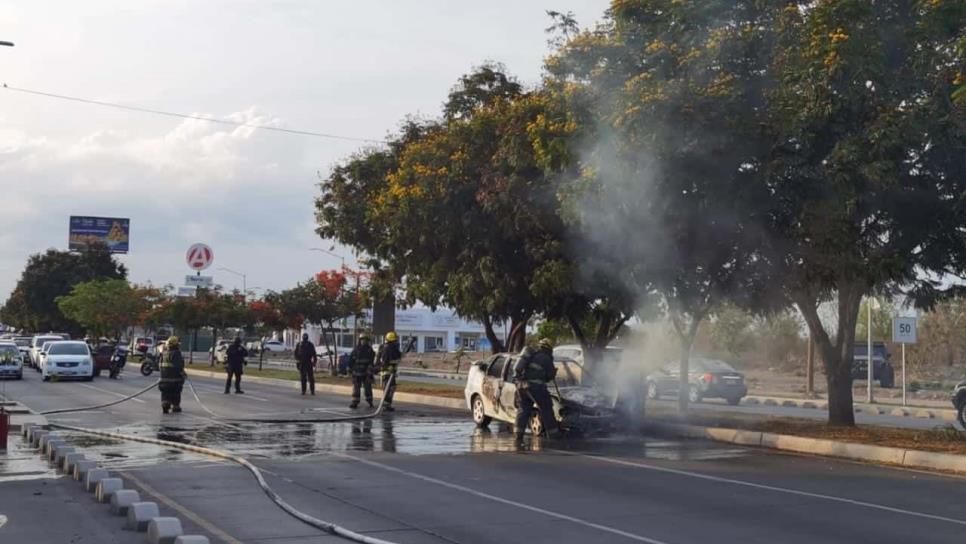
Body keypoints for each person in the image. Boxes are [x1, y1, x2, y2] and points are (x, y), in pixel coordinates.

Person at [512, 338, 558, 442]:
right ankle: (554, 435)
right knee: (547, 409)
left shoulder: (532, 355)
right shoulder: (546, 358)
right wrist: (553, 373)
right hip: (537, 387)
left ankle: (518, 435)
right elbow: (549, 377)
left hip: (523, 386)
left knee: (523, 410)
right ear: (549, 348)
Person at [159, 336, 186, 414]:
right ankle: (176, 406)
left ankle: (165, 404)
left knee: (165, 393)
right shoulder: (176, 354)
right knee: (176, 392)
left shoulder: (164, 354)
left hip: (163, 381)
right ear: (176, 345)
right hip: (175, 381)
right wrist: (183, 374)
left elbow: (159, 366)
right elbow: (178, 367)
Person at [348, 334, 375, 409]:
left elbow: (371, 362)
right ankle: (355, 402)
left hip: (366, 373)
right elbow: (351, 361)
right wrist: (350, 369)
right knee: (356, 388)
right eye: (362, 339)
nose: (364, 341)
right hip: (356, 372)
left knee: (368, 388)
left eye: (365, 340)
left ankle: (370, 401)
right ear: (360, 340)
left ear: (367, 341)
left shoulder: (370, 351)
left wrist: (369, 371)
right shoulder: (355, 350)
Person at [378, 331, 402, 412]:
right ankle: (385, 405)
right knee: (389, 389)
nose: (396, 342)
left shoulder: (393, 348)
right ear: (391, 341)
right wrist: (391, 365)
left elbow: (399, 356)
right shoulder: (387, 348)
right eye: (394, 341)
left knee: (391, 388)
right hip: (387, 372)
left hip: (391, 372)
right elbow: (385, 361)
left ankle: (387, 405)